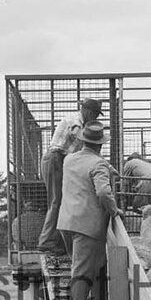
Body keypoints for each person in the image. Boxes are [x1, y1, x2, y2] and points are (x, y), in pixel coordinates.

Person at [57, 120, 119, 300]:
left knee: (80, 267)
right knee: (82, 271)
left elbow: (87, 165)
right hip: (87, 225)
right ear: (101, 145)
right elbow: (102, 192)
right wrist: (114, 210)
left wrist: (108, 167)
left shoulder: (69, 160)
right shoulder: (97, 164)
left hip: (67, 221)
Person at [37, 96, 102, 255]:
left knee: (61, 201)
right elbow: (76, 133)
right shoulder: (76, 121)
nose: (95, 119)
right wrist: (91, 137)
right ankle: (46, 242)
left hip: (60, 161)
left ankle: (54, 241)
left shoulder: (81, 123)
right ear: (86, 111)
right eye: (94, 115)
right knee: (56, 201)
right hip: (54, 159)